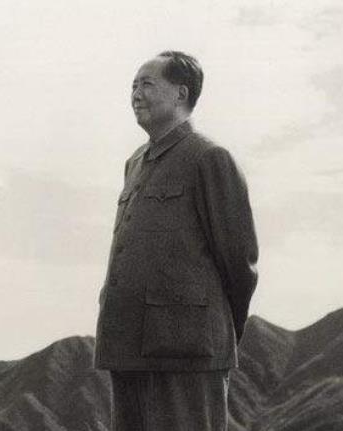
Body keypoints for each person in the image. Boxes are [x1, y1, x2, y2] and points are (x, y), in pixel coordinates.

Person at [93, 51, 259, 431]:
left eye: (147, 84)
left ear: (181, 93)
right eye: (133, 86)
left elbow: (239, 262)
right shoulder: (135, 163)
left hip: (187, 351)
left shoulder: (209, 158)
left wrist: (212, 333)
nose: (136, 94)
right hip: (127, 347)